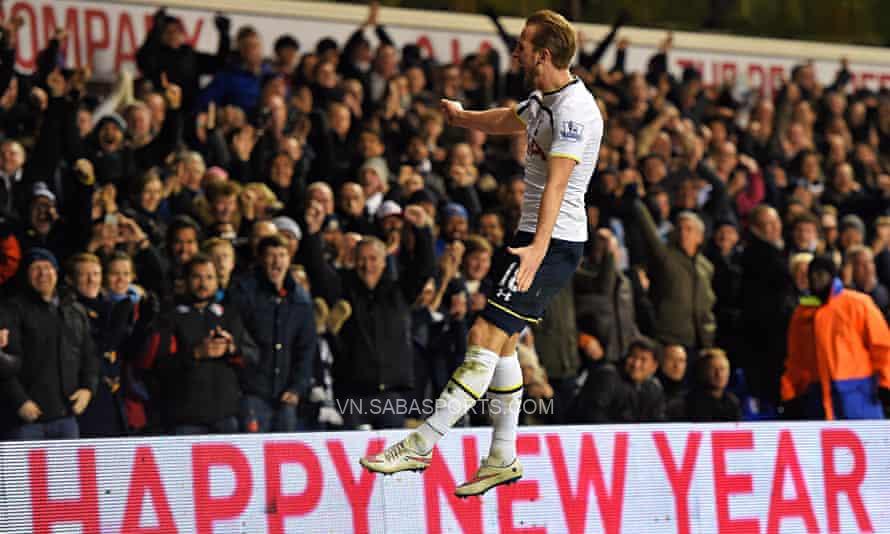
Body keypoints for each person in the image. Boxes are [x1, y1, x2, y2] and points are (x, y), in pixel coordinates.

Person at [361, 9, 602, 498]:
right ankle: (502, 457)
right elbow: (513, 117)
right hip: (537, 237)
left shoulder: (576, 111)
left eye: (522, 45)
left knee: (483, 333)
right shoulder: (545, 97)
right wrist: (463, 117)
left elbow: (558, 184)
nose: (515, 52)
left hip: (552, 242)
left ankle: (422, 443)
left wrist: (537, 248)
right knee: (505, 345)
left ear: (544, 55)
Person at [782, 255, 890, 420]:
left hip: (860, 395)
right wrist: (791, 393)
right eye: (813, 275)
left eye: (821, 274)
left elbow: (882, 347)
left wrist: (886, 383)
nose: (816, 279)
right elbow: (796, 360)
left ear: (832, 275)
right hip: (818, 397)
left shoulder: (858, 304)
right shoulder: (802, 313)